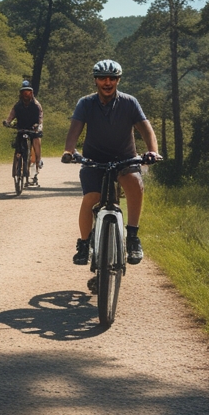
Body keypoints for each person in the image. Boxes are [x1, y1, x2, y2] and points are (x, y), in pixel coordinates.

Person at [62, 59, 160, 268]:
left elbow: (146, 129)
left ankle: (132, 237)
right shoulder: (85, 103)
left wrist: (153, 151)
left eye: (112, 78)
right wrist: (69, 151)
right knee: (92, 197)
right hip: (94, 161)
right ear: (95, 80)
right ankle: (84, 243)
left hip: (125, 159)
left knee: (135, 182)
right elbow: (74, 131)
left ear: (118, 80)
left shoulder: (129, 102)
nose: (107, 82)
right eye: (102, 78)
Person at [4, 80, 44, 172]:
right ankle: (18, 159)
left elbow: (40, 116)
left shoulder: (36, 105)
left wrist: (39, 125)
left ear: (32, 93)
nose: (26, 94)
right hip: (21, 128)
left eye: (28, 92)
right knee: (18, 141)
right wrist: (8, 122)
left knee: (36, 140)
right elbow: (12, 115)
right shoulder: (18, 105)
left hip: (33, 129)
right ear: (21, 93)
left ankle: (38, 160)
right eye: (24, 92)